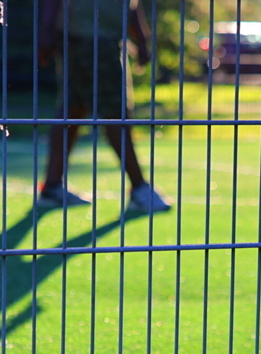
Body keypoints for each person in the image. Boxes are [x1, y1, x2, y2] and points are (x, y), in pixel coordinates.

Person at [37, 0, 171, 213]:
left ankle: (52, 186)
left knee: (73, 109)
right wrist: (46, 33)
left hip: (93, 39)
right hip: (94, 40)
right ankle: (139, 188)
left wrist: (142, 41)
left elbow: (130, 5)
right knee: (113, 115)